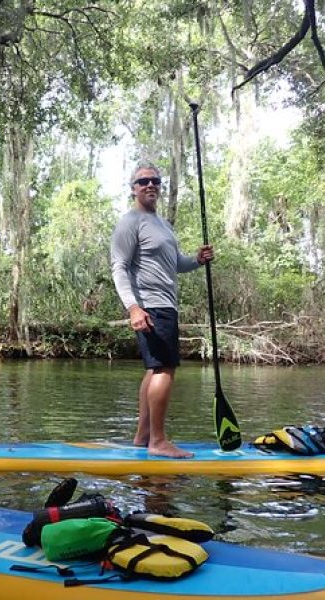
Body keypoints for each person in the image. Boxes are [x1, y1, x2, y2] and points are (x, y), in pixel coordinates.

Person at [110, 162, 213, 459]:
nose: (150, 185)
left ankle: (143, 437)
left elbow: (175, 264)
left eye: (155, 180)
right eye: (143, 181)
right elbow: (119, 267)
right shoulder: (130, 222)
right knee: (164, 369)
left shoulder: (163, 225)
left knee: (155, 368)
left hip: (166, 305)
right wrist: (133, 308)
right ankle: (158, 441)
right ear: (133, 188)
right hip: (150, 307)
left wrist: (197, 260)